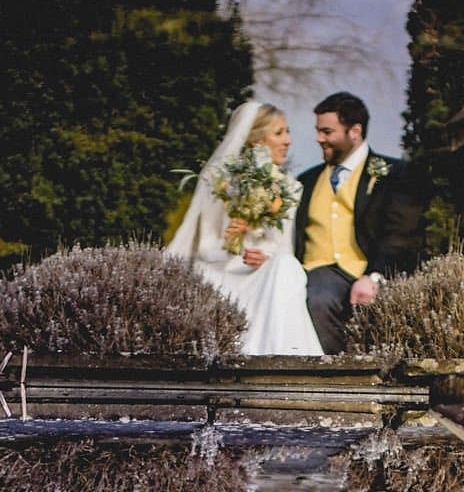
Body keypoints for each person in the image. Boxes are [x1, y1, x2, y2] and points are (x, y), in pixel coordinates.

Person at [165, 100, 323, 356]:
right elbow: (205, 248)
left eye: (288, 132)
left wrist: (266, 257)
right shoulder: (221, 183)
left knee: (287, 267)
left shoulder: (290, 188)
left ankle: (287, 359)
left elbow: (284, 247)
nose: (288, 141)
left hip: (264, 272)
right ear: (256, 140)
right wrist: (233, 241)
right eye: (279, 133)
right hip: (223, 270)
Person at [292, 91, 430, 354]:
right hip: (308, 272)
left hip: (361, 270)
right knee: (306, 296)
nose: (319, 138)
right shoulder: (305, 181)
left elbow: (400, 235)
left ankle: (340, 382)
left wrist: (374, 277)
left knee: (320, 299)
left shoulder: (396, 174)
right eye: (318, 131)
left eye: (327, 131)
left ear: (354, 131)